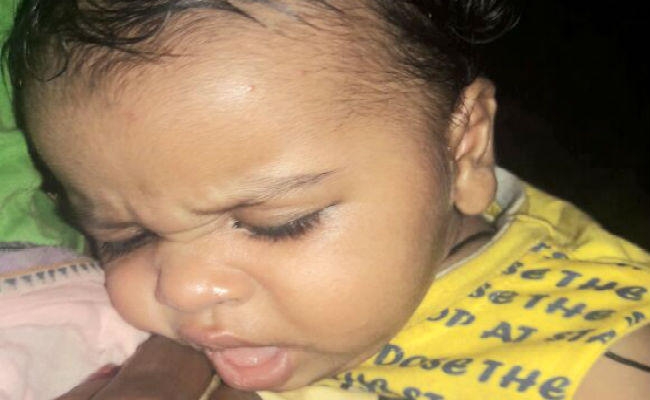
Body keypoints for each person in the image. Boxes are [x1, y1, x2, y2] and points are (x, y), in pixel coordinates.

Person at [3, 0, 650, 399]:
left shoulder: (606, 360)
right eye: (123, 236)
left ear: (463, 149)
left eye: (276, 224)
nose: (183, 288)